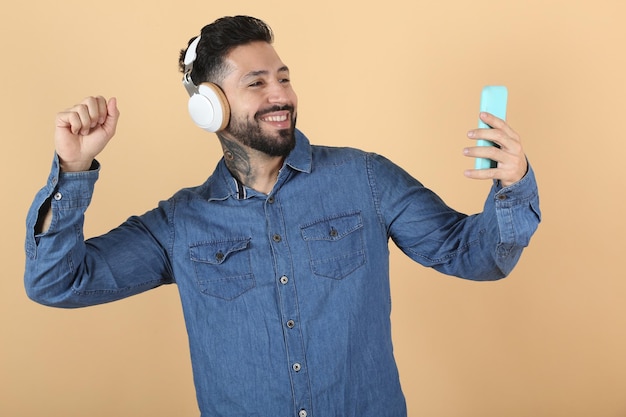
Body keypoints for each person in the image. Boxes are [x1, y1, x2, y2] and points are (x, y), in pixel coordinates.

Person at [24, 15, 540, 417]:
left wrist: (512, 185)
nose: (281, 96)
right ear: (210, 106)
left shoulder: (367, 178)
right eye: (257, 83)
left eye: (284, 78)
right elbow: (57, 283)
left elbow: (473, 257)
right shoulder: (179, 224)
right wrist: (73, 169)